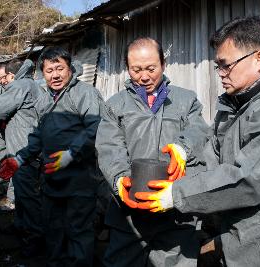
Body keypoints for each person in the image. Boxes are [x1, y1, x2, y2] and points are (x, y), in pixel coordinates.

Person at [134, 17, 260, 267]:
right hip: (242, 241)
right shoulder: (234, 110)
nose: (221, 74)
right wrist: (168, 179)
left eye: (226, 65)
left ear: (259, 60)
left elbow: (250, 178)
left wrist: (176, 194)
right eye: (218, 66)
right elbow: (210, 163)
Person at [95, 37, 209, 266]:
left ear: (163, 65)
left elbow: (199, 130)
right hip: (130, 213)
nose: (144, 76)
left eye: (150, 68)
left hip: (176, 210)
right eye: (136, 70)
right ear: (127, 68)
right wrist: (120, 181)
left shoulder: (186, 100)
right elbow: (109, 148)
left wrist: (182, 148)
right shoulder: (115, 105)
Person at [0, 47, 106, 266]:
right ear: (42, 74)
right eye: (49, 70)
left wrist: (72, 153)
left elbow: (97, 128)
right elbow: (39, 133)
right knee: (53, 229)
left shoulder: (85, 93)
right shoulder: (44, 97)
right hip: (51, 179)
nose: (55, 75)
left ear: (70, 69)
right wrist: (20, 158)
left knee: (78, 230)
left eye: (59, 68)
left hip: (79, 179)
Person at [0, 58, 45, 256]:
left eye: (6, 78)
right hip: (22, 146)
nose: (4, 81)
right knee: (19, 190)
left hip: (24, 148)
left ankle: (36, 237)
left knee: (27, 195)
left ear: (11, 75)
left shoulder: (20, 85)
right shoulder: (31, 84)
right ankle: (20, 225)